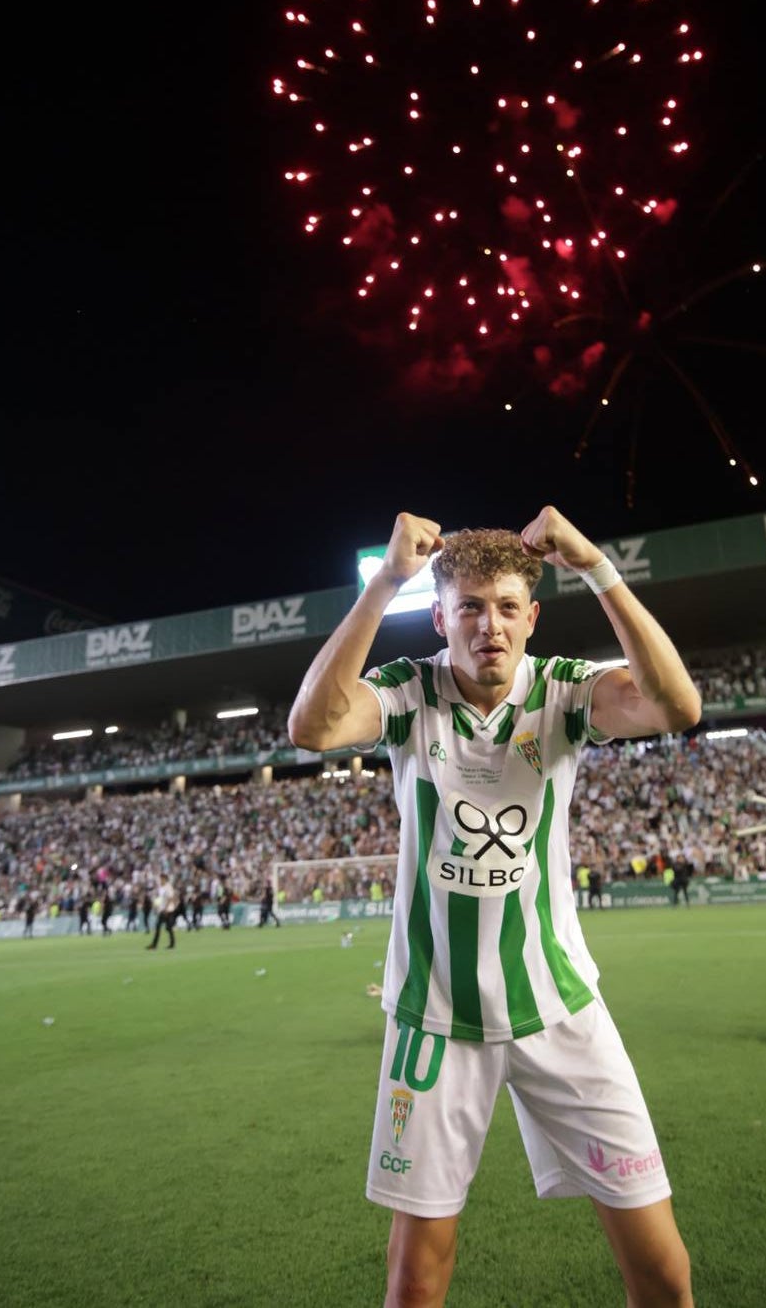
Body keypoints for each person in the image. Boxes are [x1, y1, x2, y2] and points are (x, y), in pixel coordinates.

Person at [288, 507, 701, 1308]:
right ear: (440, 616)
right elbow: (314, 726)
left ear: (532, 617)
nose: (489, 626)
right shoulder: (411, 691)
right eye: (470, 607)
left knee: (662, 1269)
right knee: (415, 1282)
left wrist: (598, 567)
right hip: (436, 1022)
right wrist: (384, 584)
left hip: (561, 1008)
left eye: (508, 607)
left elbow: (677, 708)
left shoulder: (566, 691)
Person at [146, 879, 178, 950]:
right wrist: (156, 907)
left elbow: (169, 899)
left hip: (165, 911)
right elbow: (161, 900)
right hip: (164, 911)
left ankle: (155, 945)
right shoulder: (163, 890)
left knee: (159, 927)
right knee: (168, 928)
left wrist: (165, 909)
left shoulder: (165, 890)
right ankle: (172, 944)